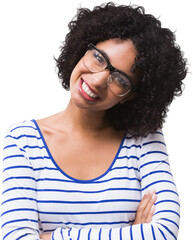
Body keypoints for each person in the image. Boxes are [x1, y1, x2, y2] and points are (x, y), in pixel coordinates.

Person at [1, 2, 187, 240]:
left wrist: (52, 237)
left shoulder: (144, 140)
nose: (99, 80)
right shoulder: (23, 140)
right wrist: (131, 233)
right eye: (99, 58)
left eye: (120, 79)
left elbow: (162, 233)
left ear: (131, 96)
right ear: (82, 49)